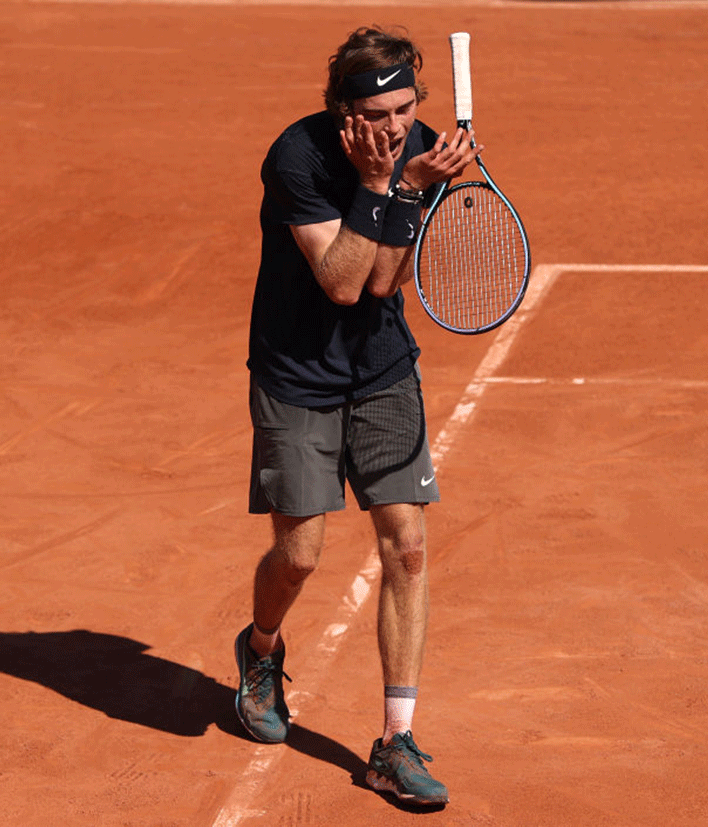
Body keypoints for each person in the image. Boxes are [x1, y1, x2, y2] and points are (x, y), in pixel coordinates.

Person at [234, 25, 479, 807]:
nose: (396, 127)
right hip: (297, 374)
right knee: (299, 555)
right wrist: (383, 186)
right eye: (378, 113)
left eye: (407, 108)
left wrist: (411, 186)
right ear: (343, 110)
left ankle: (395, 741)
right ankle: (262, 647)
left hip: (379, 369)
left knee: (406, 545)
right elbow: (340, 280)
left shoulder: (424, 151)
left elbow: (382, 285)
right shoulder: (297, 157)